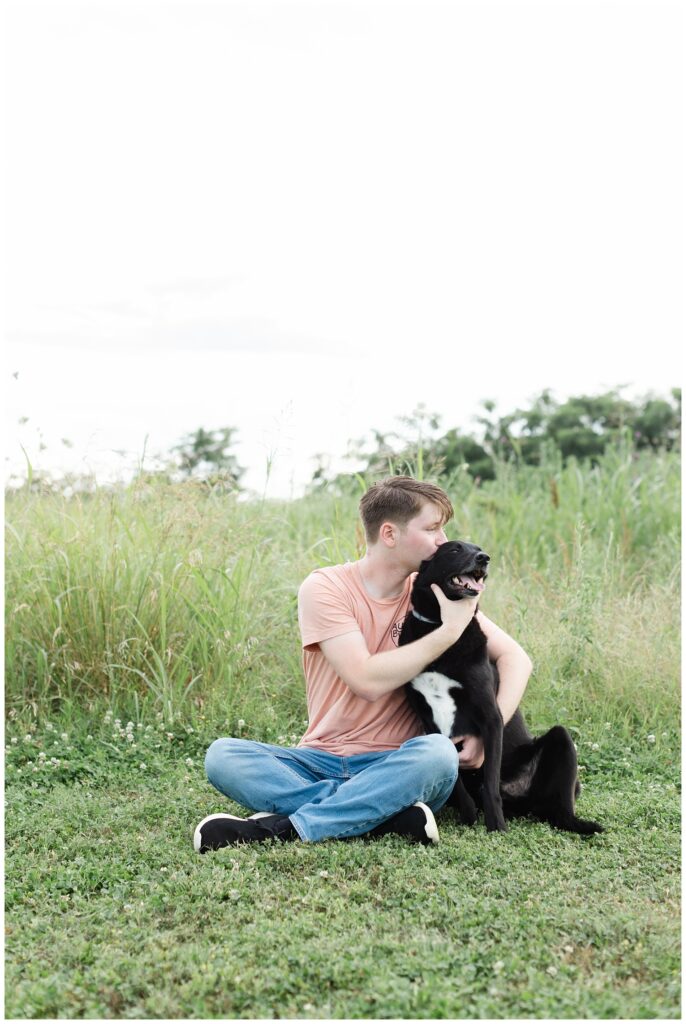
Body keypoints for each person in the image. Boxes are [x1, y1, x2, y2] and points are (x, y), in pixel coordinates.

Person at [194, 477, 532, 852]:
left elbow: (517, 658)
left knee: (437, 754)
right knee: (223, 755)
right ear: (389, 533)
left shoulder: (434, 594)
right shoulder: (326, 588)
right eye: (432, 527)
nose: (442, 540)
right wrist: (448, 632)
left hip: (401, 762)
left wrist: (490, 733)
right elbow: (366, 680)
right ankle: (378, 813)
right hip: (319, 758)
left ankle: (286, 828)